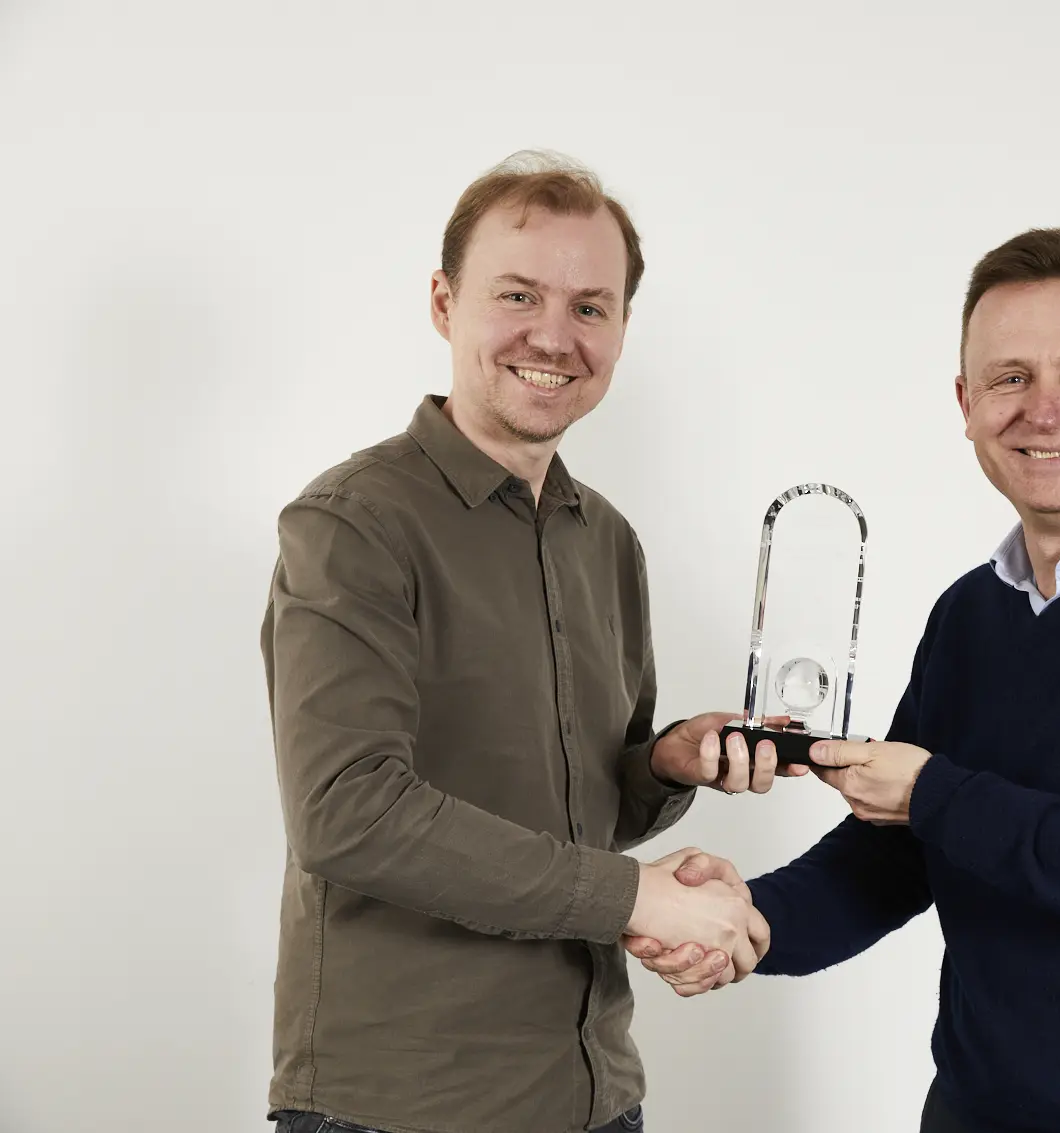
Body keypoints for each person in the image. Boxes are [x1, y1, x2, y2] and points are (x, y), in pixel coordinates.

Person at [628, 228, 1060, 1133]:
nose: (1046, 409)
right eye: (1010, 377)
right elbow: (896, 857)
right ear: (966, 402)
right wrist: (749, 921)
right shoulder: (968, 615)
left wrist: (933, 792)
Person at [260, 150, 793, 1133]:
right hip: (402, 1105)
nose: (554, 335)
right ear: (443, 302)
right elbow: (346, 812)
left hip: (595, 1091)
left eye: (590, 306)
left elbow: (582, 818)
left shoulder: (609, 540)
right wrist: (637, 896)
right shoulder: (354, 523)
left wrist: (665, 763)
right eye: (518, 294)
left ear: (621, 329)